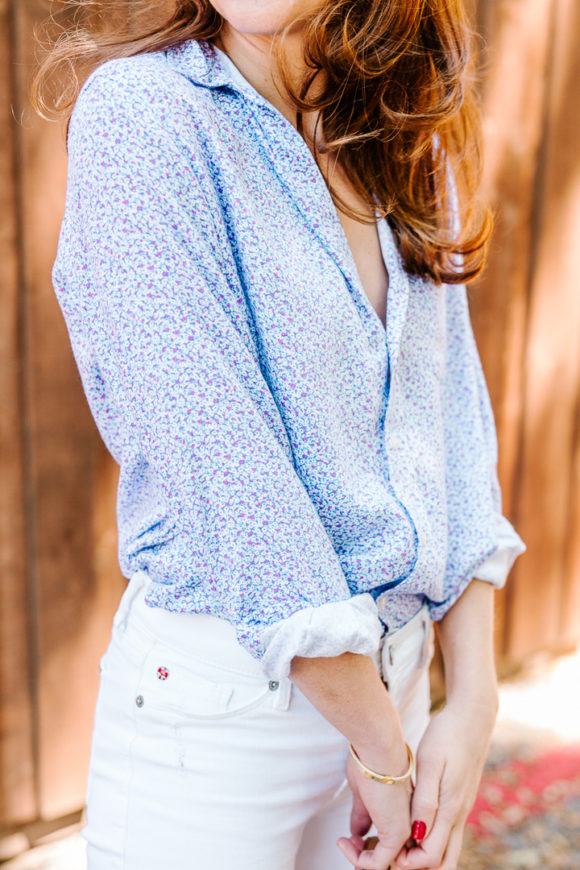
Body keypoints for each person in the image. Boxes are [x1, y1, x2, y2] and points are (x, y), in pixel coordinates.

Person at [33, 1, 526, 868]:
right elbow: (230, 478)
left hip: (397, 694)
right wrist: (383, 748)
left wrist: (472, 698)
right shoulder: (146, 119)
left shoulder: (406, 132)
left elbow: (451, 421)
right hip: (221, 723)